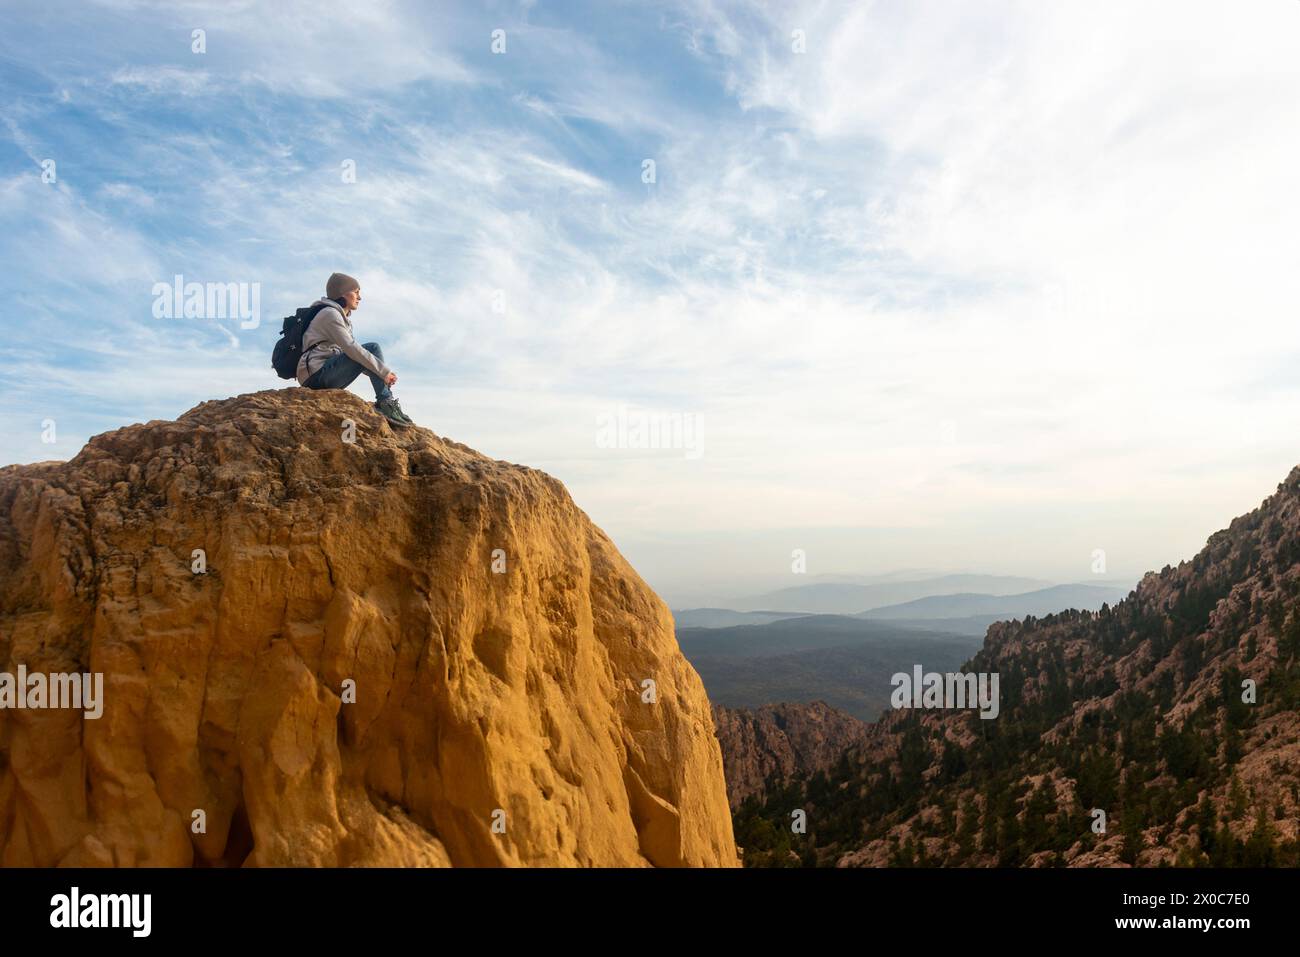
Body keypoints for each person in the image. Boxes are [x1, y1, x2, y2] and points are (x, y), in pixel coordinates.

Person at [297, 272, 414, 427]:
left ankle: (387, 401)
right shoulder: (330, 314)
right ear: (342, 294)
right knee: (372, 348)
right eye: (356, 292)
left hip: (322, 373)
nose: (359, 298)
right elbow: (352, 349)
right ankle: (386, 402)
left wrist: (380, 373)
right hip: (316, 375)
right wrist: (383, 372)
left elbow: (354, 357)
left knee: (370, 352)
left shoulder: (340, 318)